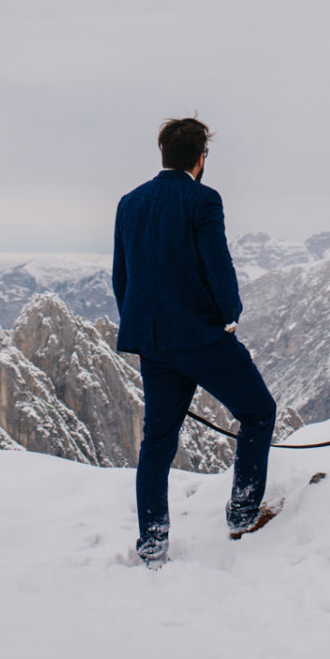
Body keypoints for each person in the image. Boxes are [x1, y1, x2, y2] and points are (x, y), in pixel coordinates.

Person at [112, 116, 278, 568]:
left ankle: (153, 543)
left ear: (162, 154)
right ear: (201, 158)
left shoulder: (129, 203)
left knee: (158, 441)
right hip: (202, 337)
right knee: (259, 412)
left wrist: (143, 329)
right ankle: (243, 512)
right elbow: (217, 264)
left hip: (153, 343)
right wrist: (229, 316)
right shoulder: (203, 199)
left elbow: (121, 278)